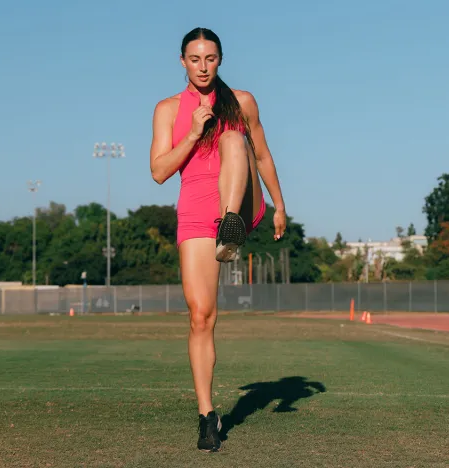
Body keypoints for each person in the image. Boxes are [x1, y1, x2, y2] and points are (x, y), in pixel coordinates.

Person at [149, 27, 287, 452]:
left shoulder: (241, 101)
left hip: (240, 201)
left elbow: (261, 154)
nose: (203, 67)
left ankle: (231, 227)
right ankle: (207, 415)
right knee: (200, 315)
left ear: (220, 60)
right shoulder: (168, 109)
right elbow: (158, 171)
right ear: (182, 61)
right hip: (194, 208)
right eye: (195, 59)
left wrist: (280, 205)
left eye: (210, 59)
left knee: (231, 136)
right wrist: (191, 132)